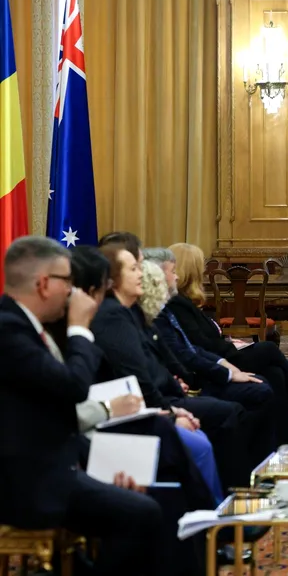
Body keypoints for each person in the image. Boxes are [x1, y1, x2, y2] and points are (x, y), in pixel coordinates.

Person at [0, 236, 164, 575]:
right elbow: (72, 388)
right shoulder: (8, 331)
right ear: (44, 283)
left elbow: (52, 410)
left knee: (147, 494)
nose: (73, 292)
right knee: (142, 514)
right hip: (25, 483)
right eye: (67, 282)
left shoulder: (25, 326)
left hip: (51, 465)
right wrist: (79, 329)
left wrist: (103, 467)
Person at [91, 243, 260, 487]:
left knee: (256, 387)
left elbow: (159, 361)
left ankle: (239, 488)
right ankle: (233, 495)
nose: (141, 274)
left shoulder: (128, 313)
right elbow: (138, 376)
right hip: (144, 409)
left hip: (165, 396)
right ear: (113, 279)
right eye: (134, 269)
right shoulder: (114, 317)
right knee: (225, 417)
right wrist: (172, 413)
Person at [165, 242, 288, 431]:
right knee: (268, 349)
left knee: (274, 373)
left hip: (223, 354)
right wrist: (230, 347)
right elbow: (201, 344)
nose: (203, 271)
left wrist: (229, 342)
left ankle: (284, 436)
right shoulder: (177, 304)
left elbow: (205, 338)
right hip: (215, 363)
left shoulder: (184, 302)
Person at [140, 256, 280, 453]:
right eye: (173, 272)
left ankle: (277, 448)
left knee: (272, 375)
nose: (177, 277)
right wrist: (226, 370)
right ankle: (255, 461)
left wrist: (225, 364)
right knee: (260, 383)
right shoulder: (164, 311)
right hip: (192, 381)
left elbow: (193, 349)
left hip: (205, 366)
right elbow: (186, 353)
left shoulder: (168, 308)